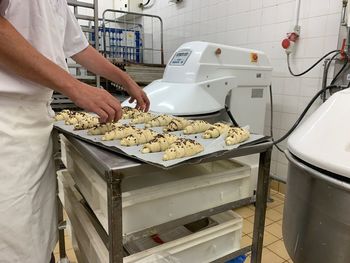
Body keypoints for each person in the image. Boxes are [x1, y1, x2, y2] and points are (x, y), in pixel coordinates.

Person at [0, 0, 149, 262]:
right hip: (6, 119)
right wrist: (75, 87)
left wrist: (126, 80)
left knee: (37, 233)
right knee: (14, 241)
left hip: (36, 119)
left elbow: (79, 47)